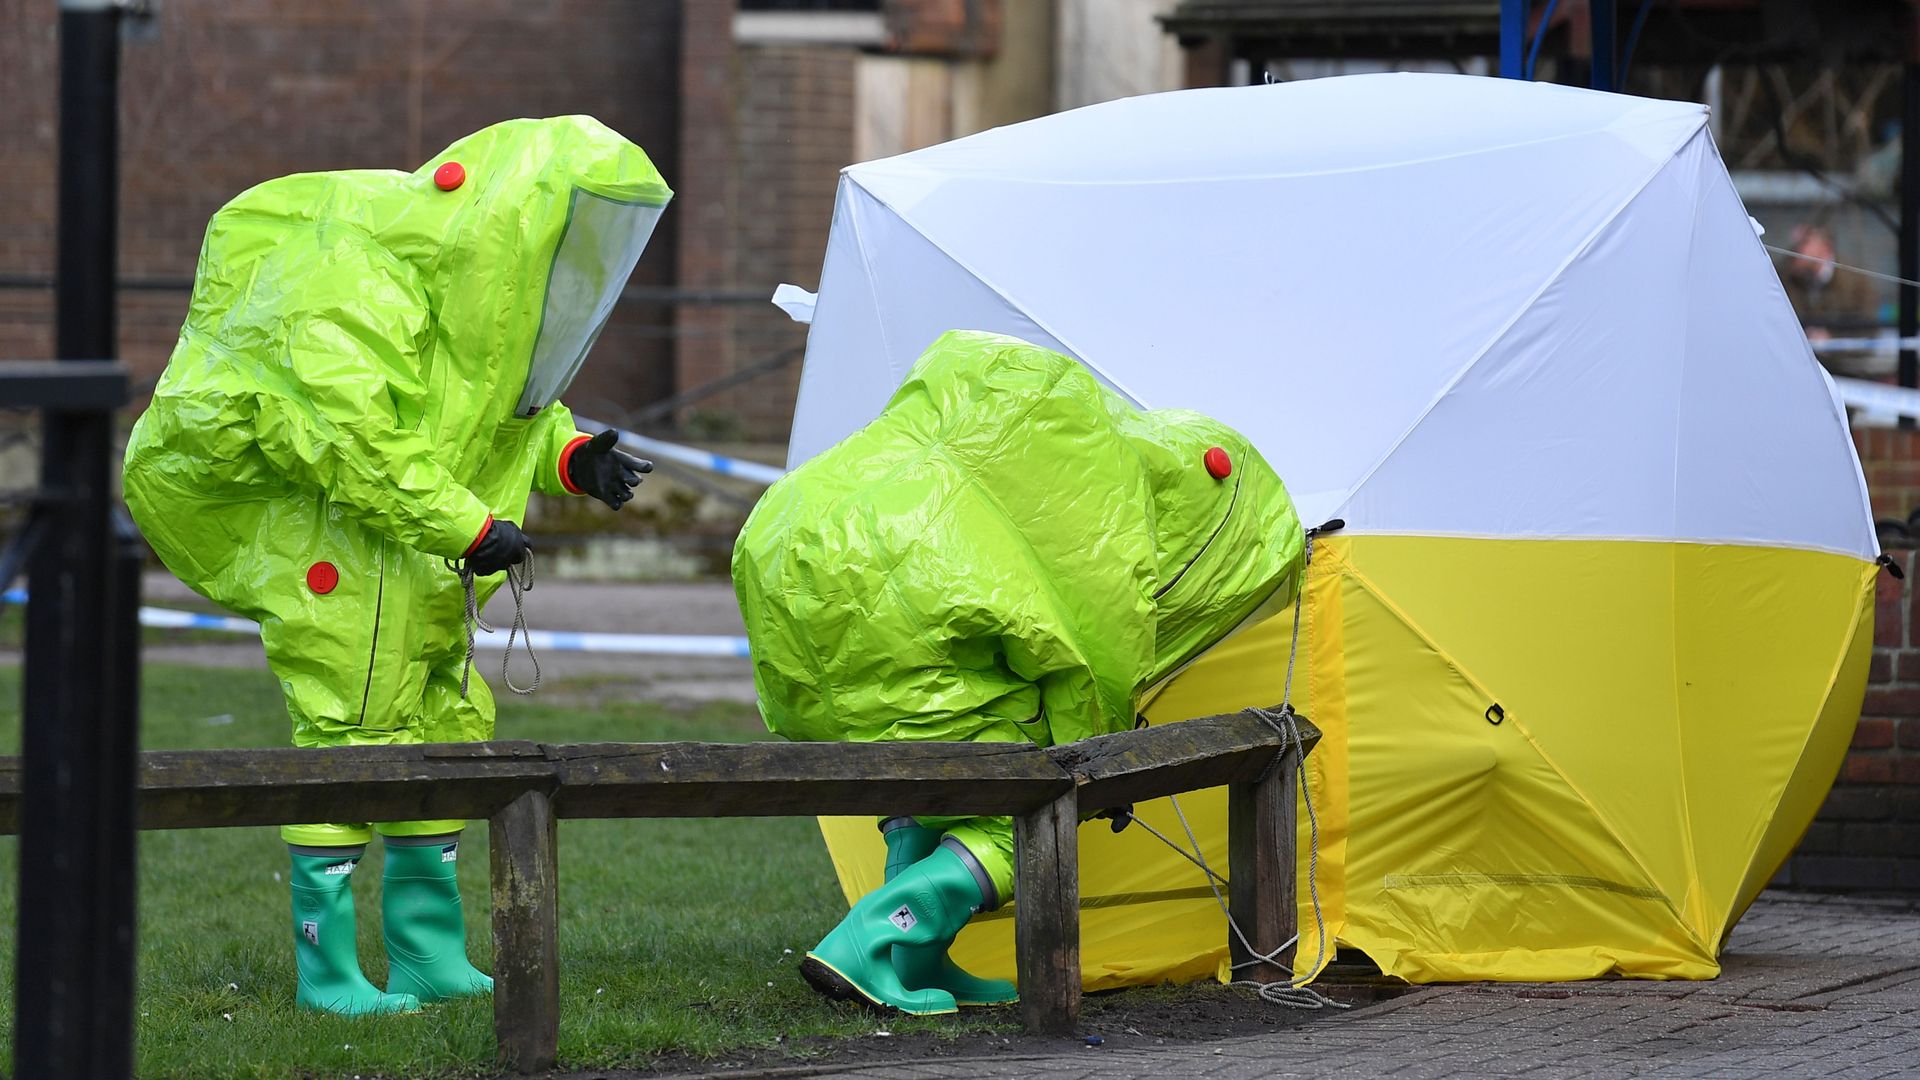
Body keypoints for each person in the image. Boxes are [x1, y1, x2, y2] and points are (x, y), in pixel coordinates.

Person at [122, 116, 667, 1015]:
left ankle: (427, 954)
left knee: (443, 733)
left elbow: (493, 417)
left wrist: (572, 458)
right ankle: (329, 973)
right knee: (349, 737)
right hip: (346, 555)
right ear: (519, 221)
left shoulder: (481, 310)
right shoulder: (353, 282)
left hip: (420, 563)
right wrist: (469, 526)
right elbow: (359, 445)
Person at [733, 330, 1305, 1014]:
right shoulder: (1099, 518)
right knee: (1022, 813)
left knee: (925, 769)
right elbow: (1091, 666)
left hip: (794, 581)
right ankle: (874, 941)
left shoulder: (1032, 440)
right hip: (893, 607)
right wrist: (1096, 766)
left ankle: (916, 961)